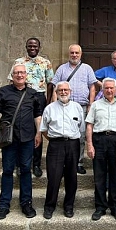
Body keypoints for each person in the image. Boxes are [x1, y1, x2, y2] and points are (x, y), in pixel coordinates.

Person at [0, 64, 42, 220]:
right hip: (9, 139)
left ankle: (26, 203)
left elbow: (37, 115)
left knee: (25, 170)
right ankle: (4, 205)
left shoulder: (33, 94)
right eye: (17, 73)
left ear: (26, 75)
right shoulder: (3, 91)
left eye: (22, 73)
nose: (20, 75)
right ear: (12, 75)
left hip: (27, 138)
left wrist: (38, 133)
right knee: (7, 170)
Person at [86, 78, 116, 221]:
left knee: (115, 175)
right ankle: (100, 207)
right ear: (102, 90)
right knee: (99, 176)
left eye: (112, 88)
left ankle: (115, 207)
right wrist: (89, 144)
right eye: (106, 88)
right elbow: (89, 126)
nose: (109, 90)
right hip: (99, 140)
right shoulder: (95, 105)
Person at [39, 81, 85, 219]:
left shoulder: (77, 108)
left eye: (66, 90)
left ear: (70, 91)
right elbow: (44, 129)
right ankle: (49, 207)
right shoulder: (50, 108)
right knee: (54, 177)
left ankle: (69, 206)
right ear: (56, 92)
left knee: (72, 177)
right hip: (55, 145)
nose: (63, 92)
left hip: (73, 145)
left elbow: (81, 128)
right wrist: (55, 140)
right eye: (60, 90)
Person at [9, 37, 54, 177]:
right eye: (30, 46)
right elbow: (12, 81)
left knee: (38, 131)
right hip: (22, 96)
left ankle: (36, 164)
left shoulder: (46, 63)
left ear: (39, 47)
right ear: (26, 47)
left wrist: (48, 102)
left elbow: (51, 83)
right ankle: (19, 165)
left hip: (39, 97)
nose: (32, 48)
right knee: (19, 129)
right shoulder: (18, 62)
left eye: (35, 46)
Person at [51, 44, 97, 175]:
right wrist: (55, 106)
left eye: (77, 53)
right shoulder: (61, 69)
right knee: (65, 134)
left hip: (81, 107)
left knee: (81, 135)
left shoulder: (87, 68)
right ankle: (66, 162)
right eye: (72, 53)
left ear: (81, 54)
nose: (74, 55)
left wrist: (91, 105)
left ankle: (79, 162)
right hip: (64, 107)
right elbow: (55, 88)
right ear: (68, 54)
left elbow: (92, 88)